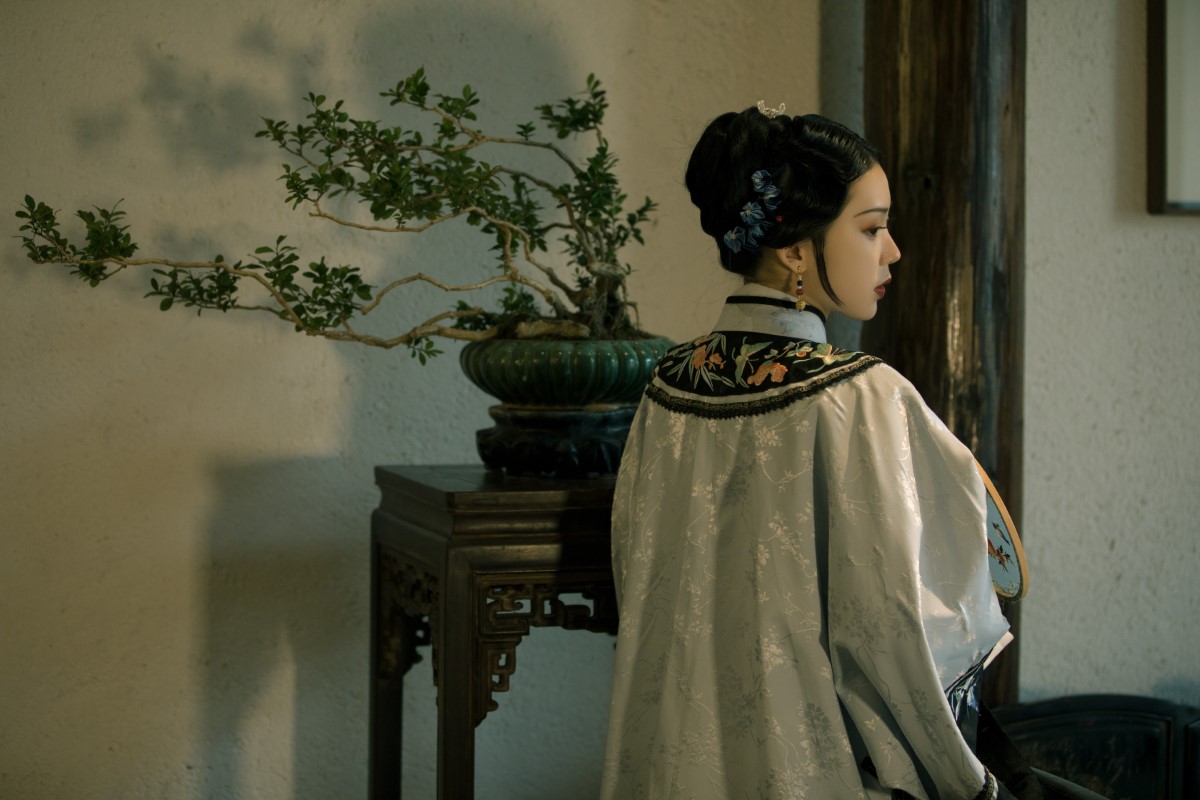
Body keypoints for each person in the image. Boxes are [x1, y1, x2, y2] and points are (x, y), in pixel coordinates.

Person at [600, 105, 1024, 799]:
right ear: (795, 249)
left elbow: (639, 583)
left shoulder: (668, 387)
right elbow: (899, 626)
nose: (892, 251)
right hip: (811, 767)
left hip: (670, 762)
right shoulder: (862, 397)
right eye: (872, 228)